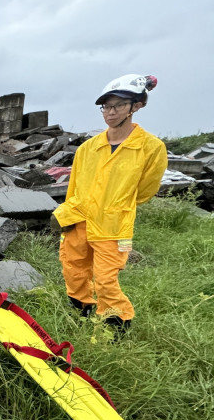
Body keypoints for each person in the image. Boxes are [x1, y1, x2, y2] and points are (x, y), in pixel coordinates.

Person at [52, 74, 168, 335]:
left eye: (117, 105)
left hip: (115, 227)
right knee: (73, 270)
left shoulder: (151, 147)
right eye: (106, 106)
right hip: (78, 219)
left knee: (105, 279)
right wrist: (67, 214)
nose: (110, 112)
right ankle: (80, 313)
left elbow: (146, 190)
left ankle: (113, 328)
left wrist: (115, 204)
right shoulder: (88, 148)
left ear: (135, 106)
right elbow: (74, 188)